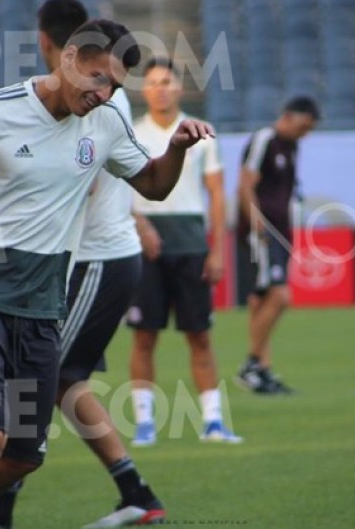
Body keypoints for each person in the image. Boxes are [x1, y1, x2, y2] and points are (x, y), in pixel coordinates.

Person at [0, 19, 213, 529]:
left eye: (114, 86)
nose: (104, 93)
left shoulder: (104, 124)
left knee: (23, 456)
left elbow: (152, 186)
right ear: (67, 59)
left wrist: (175, 150)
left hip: (43, 302)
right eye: (97, 77)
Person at [128, 57, 240, 445]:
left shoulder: (201, 133)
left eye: (168, 82)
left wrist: (217, 251)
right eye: (154, 82)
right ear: (145, 90)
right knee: (144, 335)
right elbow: (117, 189)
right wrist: (139, 226)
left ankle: (213, 422)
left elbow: (216, 194)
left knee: (200, 334)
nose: (161, 88)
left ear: (179, 88)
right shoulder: (132, 133)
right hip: (146, 245)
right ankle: (145, 423)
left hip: (191, 242)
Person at [235, 97, 320, 394]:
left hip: (281, 233)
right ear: (288, 116)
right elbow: (245, 184)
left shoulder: (291, 147)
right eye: (303, 126)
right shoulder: (265, 140)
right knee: (280, 296)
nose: (304, 134)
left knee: (262, 300)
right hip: (263, 233)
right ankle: (251, 364)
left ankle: (261, 370)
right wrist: (256, 222)